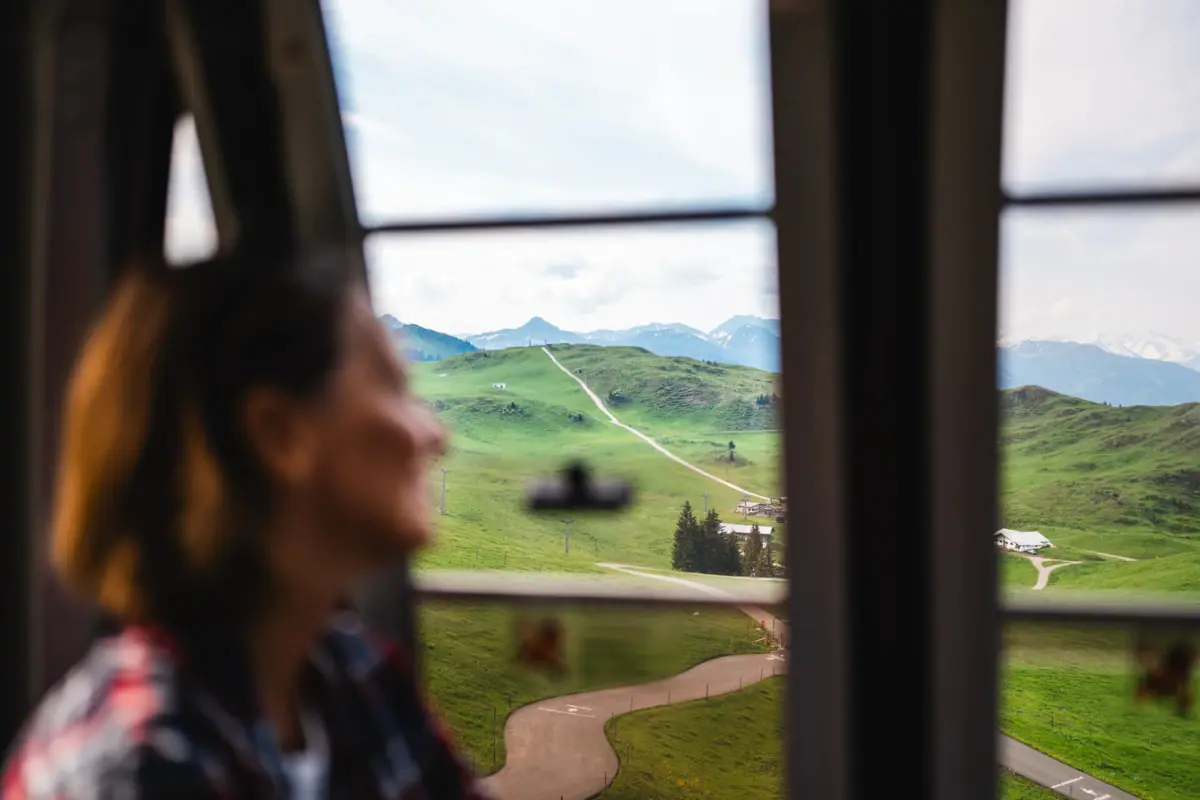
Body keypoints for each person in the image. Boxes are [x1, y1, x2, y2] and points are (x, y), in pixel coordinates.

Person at [1, 250, 488, 798]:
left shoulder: (356, 675)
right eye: (396, 389)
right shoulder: (139, 771)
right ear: (280, 434)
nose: (434, 435)